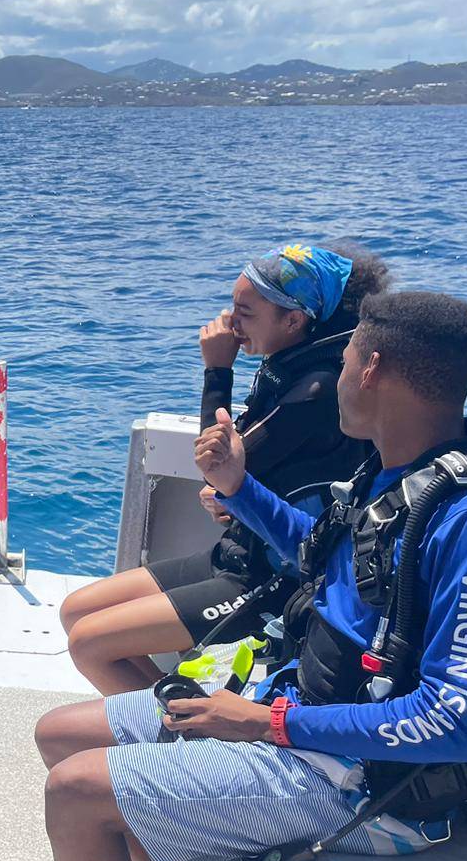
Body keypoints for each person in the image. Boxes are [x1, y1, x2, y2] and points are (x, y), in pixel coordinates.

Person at [33, 291, 467, 861]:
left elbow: (455, 721)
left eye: (342, 361)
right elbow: (320, 559)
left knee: (77, 793)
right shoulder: (396, 471)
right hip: (300, 717)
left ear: (369, 369)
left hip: (371, 790)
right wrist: (238, 488)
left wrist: (265, 726)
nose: (335, 376)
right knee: (59, 736)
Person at [59, 242, 390, 696]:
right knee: (76, 612)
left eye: (244, 312)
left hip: (273, 579)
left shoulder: (316, 389)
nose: (229, 323)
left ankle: (180, 742)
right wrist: (230, 496)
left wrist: (217, 371)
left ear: (293, 320)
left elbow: (213, 460)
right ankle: (177, 725)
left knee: (90, 644)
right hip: (238, 553)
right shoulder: (289, 367)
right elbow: (238, 469)